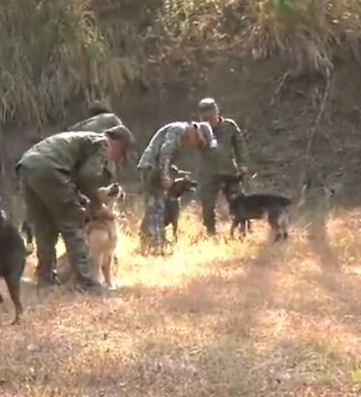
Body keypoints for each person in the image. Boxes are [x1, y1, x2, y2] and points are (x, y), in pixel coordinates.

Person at [16, 125, 135, 290]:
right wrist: (96, 204)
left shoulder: (84, 138)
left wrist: (82, 199)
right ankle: (88, 283)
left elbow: (76, 179)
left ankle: (45, 278)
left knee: (44, 227)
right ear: (118, 143)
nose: (118, 159)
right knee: (72, 223)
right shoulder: (102, 144)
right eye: (122, 154)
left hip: (26, 167)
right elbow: (86, 177)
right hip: (50, 170)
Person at [137, 120, 216, 251]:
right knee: (155, 207)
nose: (196, 147)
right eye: (199, 144)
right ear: (195, 132)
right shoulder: (178, 130)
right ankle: (153, 242)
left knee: (158, 207)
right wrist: (165, 175)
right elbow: (165, 153)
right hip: (150, 169)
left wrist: (172, 171)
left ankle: (153, 239)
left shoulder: (182, 136)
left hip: (155, 169)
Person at [196, 97, 249, 235]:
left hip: (229, 171)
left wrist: (242, 163)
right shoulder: (198, 130)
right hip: (209, 174)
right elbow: (192, 146)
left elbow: (240, 145)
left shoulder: (229, 126)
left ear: (217, 112)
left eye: (211, 116)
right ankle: (211, 233)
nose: (209, 120)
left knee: (240, 202)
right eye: (205, 117)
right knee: (208, 206)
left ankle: (244, 230)